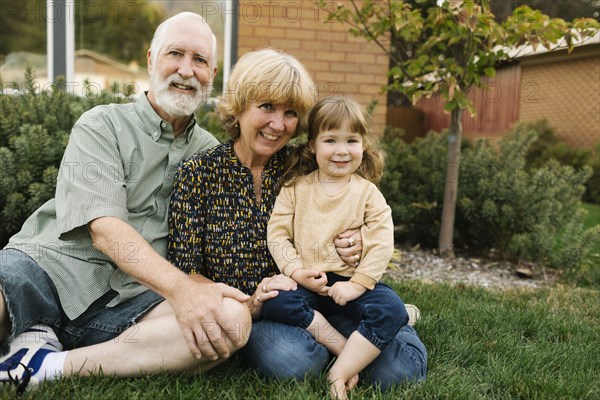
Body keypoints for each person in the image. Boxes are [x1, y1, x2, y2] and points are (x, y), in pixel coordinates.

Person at [0, 12, 251, 395]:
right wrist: (184, 291)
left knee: (230, 321)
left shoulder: (212, 155)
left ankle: (47, 364)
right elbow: (104, 230)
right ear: (151, 60)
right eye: (175, 54)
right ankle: (32, 328)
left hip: (132, 300)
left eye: (199, 60)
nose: (186, 70)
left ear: (212, 74)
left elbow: (210, 251)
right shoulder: (101, 124)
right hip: (49, 269)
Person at [168, 50, 427, 393]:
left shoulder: (306, 163)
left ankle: (385, 325)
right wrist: (249, 304)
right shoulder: (199, 173)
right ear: (240, 106)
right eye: (267, 107)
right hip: (269, 312)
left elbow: (359, 204)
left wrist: (362, 238)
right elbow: (185, 270)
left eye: (290, 113)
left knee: (400, 371)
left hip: (336, 289)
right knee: (291, 361)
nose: (278, 124)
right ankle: (350, 348)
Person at [263, 95, 411, 399]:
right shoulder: (295, 189)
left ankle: (339, 371)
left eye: (351, 141)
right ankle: (343, 349)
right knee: (277, 301)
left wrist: (357, 285)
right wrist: (296, 271)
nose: (342, 151)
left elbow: (382, 242)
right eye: (330, 140)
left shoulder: (368, 194)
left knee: (391, 309)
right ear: (313, 145)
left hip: (351, 283)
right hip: (309, 282)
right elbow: (277, 234)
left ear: (363, 145)